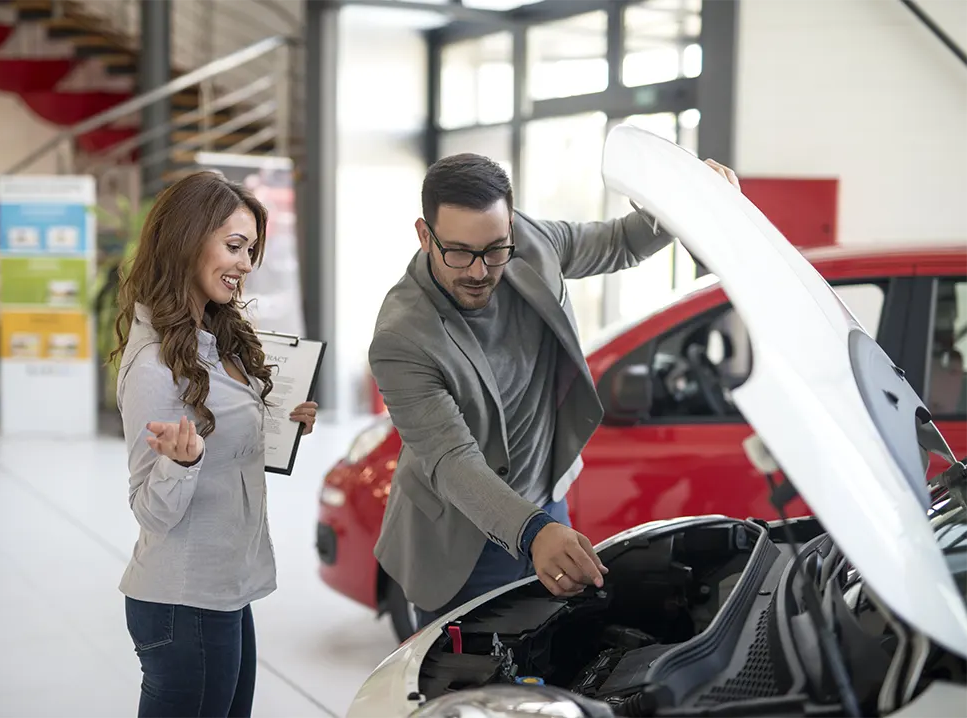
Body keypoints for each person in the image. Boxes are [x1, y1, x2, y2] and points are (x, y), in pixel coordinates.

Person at [369, 152, 740, 629]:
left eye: (495, 249)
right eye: (458, 252)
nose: (480, 271)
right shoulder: (401, 337)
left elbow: (622, 242)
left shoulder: (530, 241)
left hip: (545, 501)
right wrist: (533, 532)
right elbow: (451, 459)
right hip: (463, 537)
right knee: (476, 692)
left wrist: (684, 194)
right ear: (425, 235)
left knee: (546, 661)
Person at [111, 171, 319, 718]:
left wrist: (279, 422)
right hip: (184, 601)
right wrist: (183, 464)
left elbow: (228, 433)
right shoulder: (155, 367)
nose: (247, 265)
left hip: (223, 588)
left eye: (251, 249)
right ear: (185, 241)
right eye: (234, 247)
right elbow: (149, 510)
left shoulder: (214, 335)